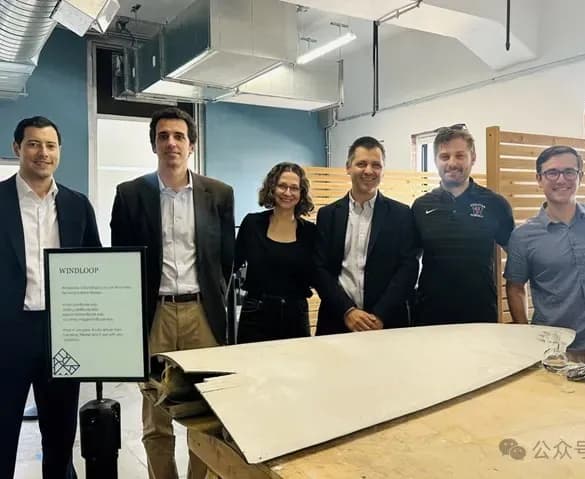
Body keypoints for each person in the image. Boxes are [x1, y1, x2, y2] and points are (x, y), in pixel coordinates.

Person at [110, 107, 234, 479]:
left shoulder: (219, 194)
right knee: (156, 418)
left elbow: (225, 259)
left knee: (206, 417)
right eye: (163, 136)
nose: (171, 143)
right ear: (153, 144)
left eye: (179, 136)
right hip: (154, 316)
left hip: (202, 315)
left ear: (191, 145)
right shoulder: (130, 194)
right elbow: (122, 261)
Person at [0, 116, 101, 478]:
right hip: (8, 335)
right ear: (17, 148)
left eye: (50, 145)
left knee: (60, 437)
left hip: (63, 335)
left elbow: (96, 267)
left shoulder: (77, 205)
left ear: (59, 151)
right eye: (33, 144)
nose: (42, 152)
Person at [504, 146, 585, 361]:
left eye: (569, 172)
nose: (561, 179)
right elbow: (515, 287)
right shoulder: (523, 236)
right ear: (539, 179)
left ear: (580, 176)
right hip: (557, 349)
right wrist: (525, 336)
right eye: (552, 173)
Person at [314, 136, 418, 334]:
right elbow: (319, 269)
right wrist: (348, 311)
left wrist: (380, 315)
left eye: (376, 165)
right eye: (361, 164)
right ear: (348, 167)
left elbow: (408, 267)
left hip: (387, 323)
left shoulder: (401, 214)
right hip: (337, 320)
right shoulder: (328, 215)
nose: (369, 171)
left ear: (383, 171)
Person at [412, 125, 514, 325]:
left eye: (460, 155)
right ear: (435, 160)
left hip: (480, 313)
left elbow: (517, 256)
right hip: (430, 315)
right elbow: (409, 261)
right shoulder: (421, 206)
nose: (452, 163)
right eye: (444, 156)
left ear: (472, 157)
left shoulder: (495, 204)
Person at [234, 163, 317, 342]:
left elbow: (318, 275)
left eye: (294, 188)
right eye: (282, 186)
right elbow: (232, 264)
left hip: (295, 315)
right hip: (256, 314)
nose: (287, 192)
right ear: (272, 188)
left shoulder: (310, 232)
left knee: (297, 361)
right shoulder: (252, 224)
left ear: (301, 193)